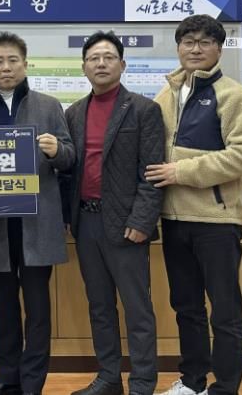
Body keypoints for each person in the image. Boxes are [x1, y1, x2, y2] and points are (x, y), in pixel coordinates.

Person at [145, 15, 242, 395]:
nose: (195, 49)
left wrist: (181, 170)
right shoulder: (165, 95)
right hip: (173, 219)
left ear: (218, 48)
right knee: (186, 308)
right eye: (188, 41)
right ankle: (192, 382)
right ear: (178, 47)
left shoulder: (234, 95)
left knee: (225, 312)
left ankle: (225, 387)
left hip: (217, 221)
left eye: (205, 42)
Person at [0, 32, 75, 395]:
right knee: (4, 307)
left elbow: (70, 159)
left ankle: (32, 383)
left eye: (13, 60)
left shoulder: (49, 106)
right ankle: (7, 376)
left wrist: (57, 150)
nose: (6, 67)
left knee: (38, 310)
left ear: (25, 64)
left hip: (36, 224)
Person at [61, 32, 164, 395]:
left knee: (137, 309)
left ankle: (142, 384)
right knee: (100, 306)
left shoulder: (144, 110)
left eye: (108, 57)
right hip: (86, 222)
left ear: (123, 64)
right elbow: (69, 171)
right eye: (94, 58)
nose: (101, 63)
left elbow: (152, 172)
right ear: (84, 67)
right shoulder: (74, 113)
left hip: (126, 225)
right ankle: (108, 378)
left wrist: (142, 221)